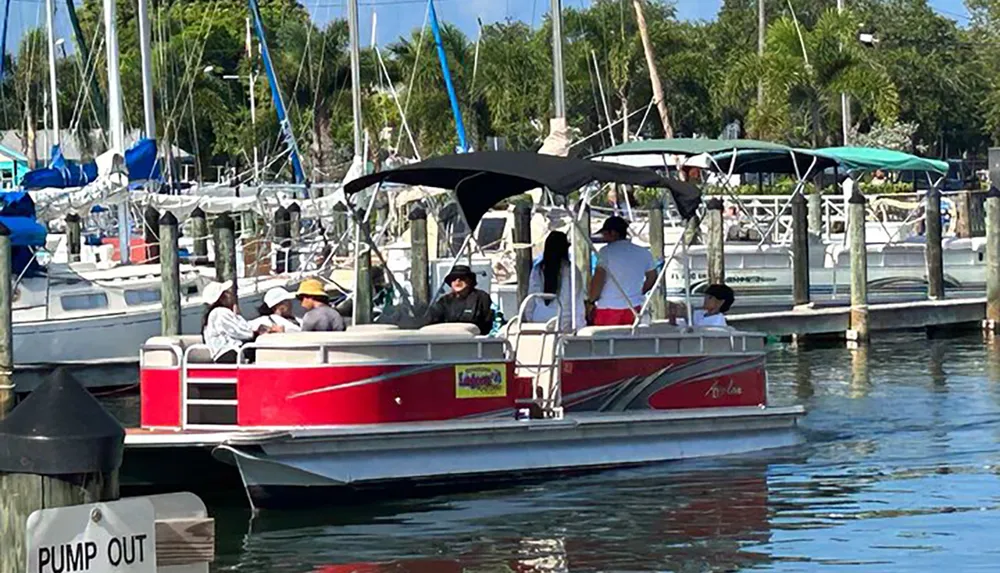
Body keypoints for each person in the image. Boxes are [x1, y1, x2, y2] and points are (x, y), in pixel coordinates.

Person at [586, 216, 656, 326]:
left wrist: (591, 301)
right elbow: (652, 278)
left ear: (613, 233)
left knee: (605, 341)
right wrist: (638, 292)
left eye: (605, 233)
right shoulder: (644, 253)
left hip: (608, 308)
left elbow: (598, 280)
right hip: (634, 308)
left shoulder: (605, 252)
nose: (603, 237)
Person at [202, 281, 274, 363]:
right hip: (229, 352)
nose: (230, 294)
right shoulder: (220, 312)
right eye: (227, 292)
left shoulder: (216, 314)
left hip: (229, 352)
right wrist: (258, 331)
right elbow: (240, 331)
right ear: (222, 298)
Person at [525, 231, 585, 330]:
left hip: (539, 319)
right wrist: (580, 326)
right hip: (563, 321)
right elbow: (577, 299)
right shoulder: (571, 270)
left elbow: (531, 298)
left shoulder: (537, 269)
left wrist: (530, 320)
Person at [428, 265, 495, 335]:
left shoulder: (482, 297)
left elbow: (490, 323)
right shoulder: (444, 301)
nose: (457, 281)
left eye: (462, 278)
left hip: (476, 342)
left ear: (470, 280)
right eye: (453, 278)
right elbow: (432, 320)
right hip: (449, 341)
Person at [669, 284, 735, 327]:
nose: (705, 299)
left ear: (720, 302)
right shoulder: (699, 313)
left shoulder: (718, 322)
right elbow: (679, 324)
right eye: (705, 296)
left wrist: (688, 317)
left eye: (710, 297)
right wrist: (674, 313)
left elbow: (699, 333)